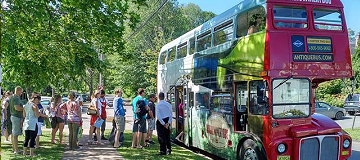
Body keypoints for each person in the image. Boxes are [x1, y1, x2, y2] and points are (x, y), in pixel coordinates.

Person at [9, 86, 24, 154]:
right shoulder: (16, 98)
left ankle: (14, 149)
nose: (22, 93)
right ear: (18, 90)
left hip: (14, 117)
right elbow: (17, 108)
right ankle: (16, 150)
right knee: (15, 134)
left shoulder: (13, 97)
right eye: (21, 91)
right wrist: (24, 109)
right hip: (16, 117)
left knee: (13, 133)